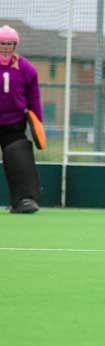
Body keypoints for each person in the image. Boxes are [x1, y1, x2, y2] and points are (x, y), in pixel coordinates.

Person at [0, 24, 42, 213]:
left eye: (10, 43)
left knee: (20, 161)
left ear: (15, 45)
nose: (6, 47)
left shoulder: (26, 68)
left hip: (14, 123)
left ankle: (24, 200)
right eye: (2, 43)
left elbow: (34, 97)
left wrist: (37, 120)